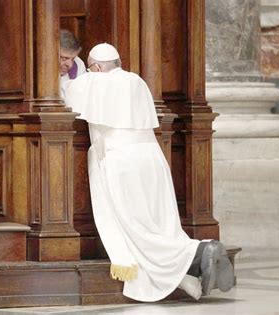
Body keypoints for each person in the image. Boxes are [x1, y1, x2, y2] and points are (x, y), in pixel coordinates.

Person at [62, 43, 234, 302]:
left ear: (96, 67)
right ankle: (186, 273)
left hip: (121, 163)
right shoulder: (138, 82)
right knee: (161, 225)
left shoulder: (90, 83)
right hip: (152, 160)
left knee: (136, 230)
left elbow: (60, 100)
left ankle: (199, 252)